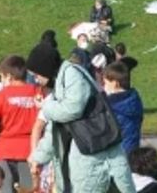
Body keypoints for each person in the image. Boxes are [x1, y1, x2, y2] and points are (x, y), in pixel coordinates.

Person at [30, 49, 135, 193]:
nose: (35, 79)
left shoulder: (72, 75)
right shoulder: (61, 86)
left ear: (45, 69)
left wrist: (45, 106)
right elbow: (54, 129)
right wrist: (38, 158)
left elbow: (73, 109)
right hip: (87, 159)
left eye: (36, 74)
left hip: (94, 157)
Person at [0, 55, 39, 193]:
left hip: (4, 151)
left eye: (1, 77)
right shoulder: (37, 93)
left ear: (9, 76)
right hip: (30, 151)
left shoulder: (1, 96)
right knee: (28, 189)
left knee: (5, 189)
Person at [104, 61, 144, 153]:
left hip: (119, 152)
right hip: (132, 147)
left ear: (115, 83)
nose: (104, 86)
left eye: (105, 83)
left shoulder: (114, 106)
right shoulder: (133, 99)